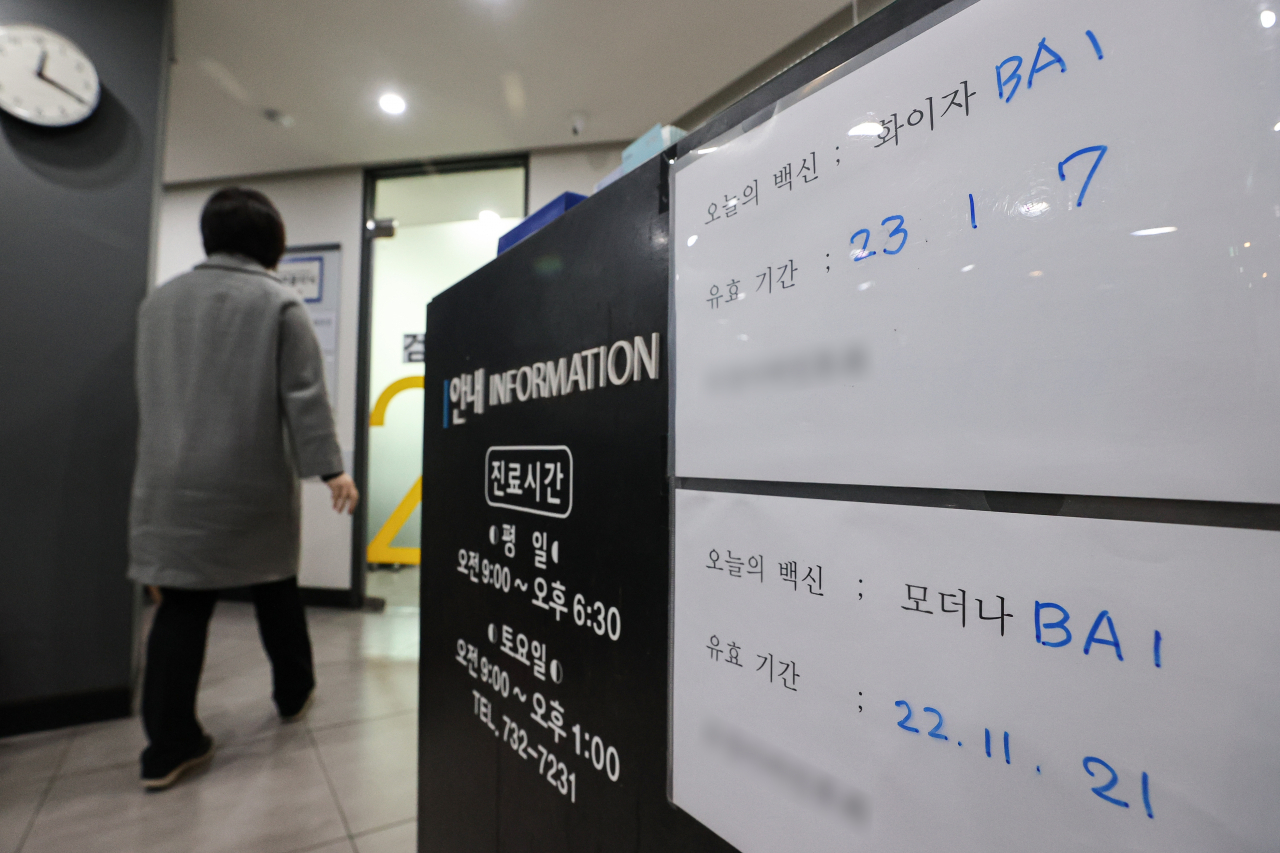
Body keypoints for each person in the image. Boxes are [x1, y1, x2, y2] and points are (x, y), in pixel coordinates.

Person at [128, 187, 358, 790]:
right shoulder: (277, 303)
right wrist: (331, 469)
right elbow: (304, 399)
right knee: (276, 586)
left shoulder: (159, 303)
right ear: (272, 244)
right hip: (247, 478)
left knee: (181, 606)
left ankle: (167, 749)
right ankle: (294, 694)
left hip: (168, 483)